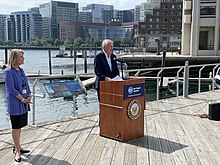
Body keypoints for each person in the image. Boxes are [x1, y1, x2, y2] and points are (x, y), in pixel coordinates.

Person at [4, 49, 32, 162]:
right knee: (15, 127)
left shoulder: (21, 70)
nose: (23, 59)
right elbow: (11, 89)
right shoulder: (8, 71)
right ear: (14, 58)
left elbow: (26, 84)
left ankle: (17, 146)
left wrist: (29, 96)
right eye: (21, 57)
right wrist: (23, 99)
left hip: (23, 101)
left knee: (19, 126)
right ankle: (17, 152)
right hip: (16, 103)